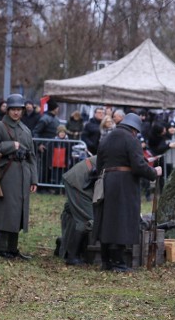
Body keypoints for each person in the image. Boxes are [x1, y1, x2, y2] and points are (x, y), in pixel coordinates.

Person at [92, 113, 161, 272]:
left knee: (107, 221)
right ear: (135, 129)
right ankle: (119, 264)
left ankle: (106, 262)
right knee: (121, 221)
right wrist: (154, 172)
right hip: (124, 184)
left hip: (107, 181)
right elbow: (138, 165)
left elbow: (99, 165)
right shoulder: (132, 140)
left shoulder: (106, 139)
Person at [0, 93, 38, 259]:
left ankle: (13, 249)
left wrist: (34, 179)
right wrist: (11, 145)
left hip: (23, 173)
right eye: (13, 109)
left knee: (18, 212)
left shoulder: (26, 130)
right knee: (5, 211)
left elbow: (32, 156)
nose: (16, 112)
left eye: (19, 109)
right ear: (8, 110)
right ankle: (2, 249)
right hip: (6, 173)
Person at [60, 155, 98, 266]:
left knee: (72, 211)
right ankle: (72, 256)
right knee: (87, 219)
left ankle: (64, 247)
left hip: (81, 179)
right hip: (79, 181)